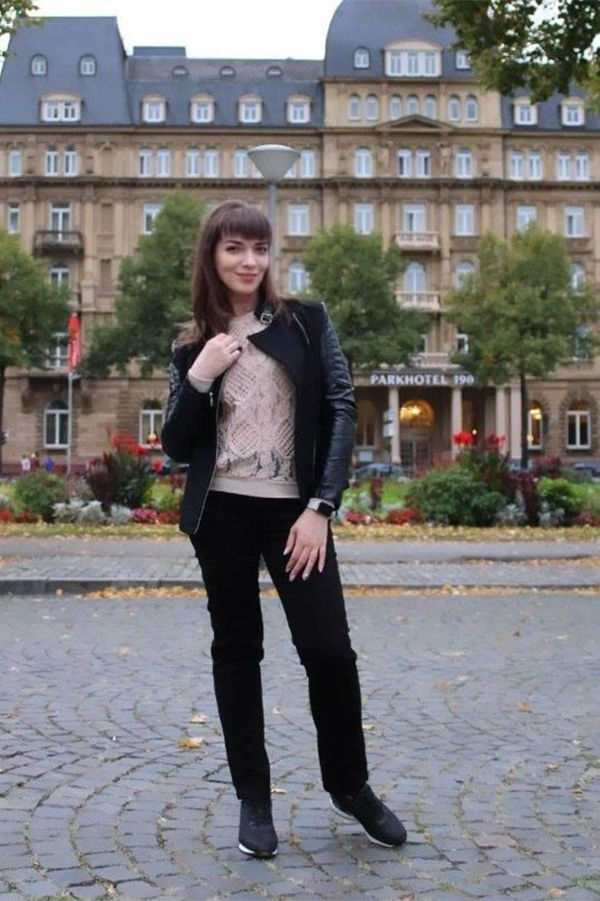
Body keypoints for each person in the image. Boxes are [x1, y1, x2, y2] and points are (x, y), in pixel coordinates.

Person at [161, 201, 406, 859]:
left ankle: (350, 786)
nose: (249, 261)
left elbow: (341, 406)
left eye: (260, 248)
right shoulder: (192, 343)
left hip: (296, 513)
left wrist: (321, 506)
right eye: (235, 248)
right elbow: (177, 445)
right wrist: (200, 375)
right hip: (222, 514)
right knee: (237, 650)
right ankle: (254, 799)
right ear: (212, 255)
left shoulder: (306, 321)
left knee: (329, 651)